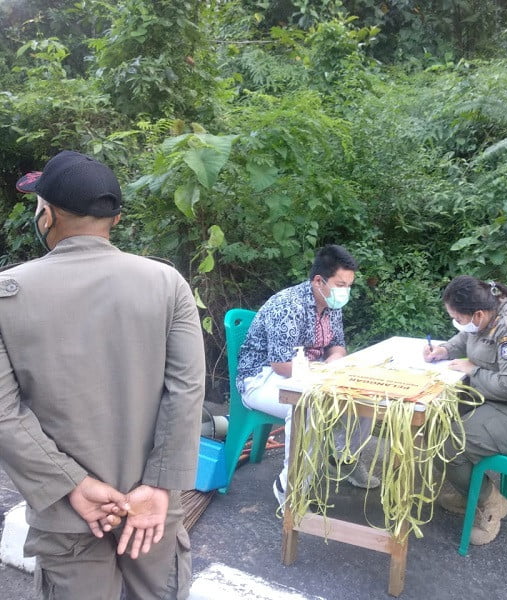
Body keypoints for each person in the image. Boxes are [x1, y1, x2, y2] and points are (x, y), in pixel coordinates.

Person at [0, 150, 206, 599]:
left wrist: (72, 483)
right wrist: (157, 486)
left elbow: (4, 414)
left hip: (69, 515)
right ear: (113, 219)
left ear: (47, 214)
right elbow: (186, 392)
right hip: (152, 510)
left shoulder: (7, 296)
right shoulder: (167, 284)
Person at [236, 244, 379, 510]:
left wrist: (334, 361)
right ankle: (290, 487)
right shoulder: (288, 305)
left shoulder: (330, 304)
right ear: (318, 281)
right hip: (261, 377)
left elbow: (338, 345)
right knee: (309, 405)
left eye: (349, 285)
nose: (345, 291)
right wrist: (321, 370)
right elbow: (280, 363)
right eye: (340, 284)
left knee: (362, 397)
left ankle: (343, 460)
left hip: (310, 372)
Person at [423, 275, 507, 545]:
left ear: (478, 314)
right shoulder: (488, 315)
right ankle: (470, 492)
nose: (458, 324)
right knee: (435, 424)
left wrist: (473, 371)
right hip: (501, 406)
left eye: (459, 318)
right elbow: (466, 338)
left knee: (447, 443)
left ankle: (490, 502)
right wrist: (444, 350)